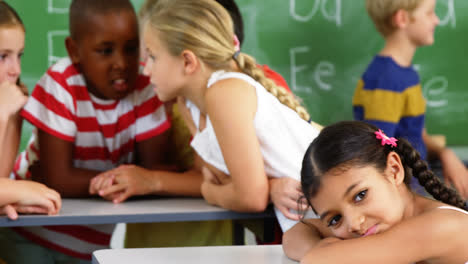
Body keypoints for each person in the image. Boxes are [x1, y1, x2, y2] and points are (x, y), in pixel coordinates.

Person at [3, 0, 171, 262]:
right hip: (29, 231)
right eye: (105, 51)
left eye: (130, 49)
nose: (121, 63)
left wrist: (145, 180)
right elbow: (57, 178)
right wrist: (128, 181)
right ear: (74, 50)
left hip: (90, 241)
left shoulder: (148, 84)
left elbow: (156, 170)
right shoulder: (60, 84)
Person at [141, 0, 320, 233]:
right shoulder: (190, 107)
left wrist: (209, 191)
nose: (146, 70)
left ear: (187, 61)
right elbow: (225, 180)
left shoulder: (224, 93)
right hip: (303, 223)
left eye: (153, 57)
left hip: (332, 213)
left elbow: (249, 197)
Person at [284, 120, 468, 263]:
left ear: (394, 170)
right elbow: (297, 233)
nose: (354, 224)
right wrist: (324, 248)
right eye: (335, 219)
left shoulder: (442, 226)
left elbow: (316, 260)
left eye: (360, 195)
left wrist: (331, 252)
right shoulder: (376, 226)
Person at [352, 0, 468, 198]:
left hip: (421, 174)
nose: (437, 20)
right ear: (402, 19)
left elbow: (415, 134)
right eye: (430, 13)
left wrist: (444, 153)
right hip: (411, 189)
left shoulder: (405, 73)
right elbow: (379, 157)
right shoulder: (386, 80)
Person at [0, 1, 61, 222]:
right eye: (2, 57)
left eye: (19, 55)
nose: (15, 69)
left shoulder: (11, 105)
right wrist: (20, 191)